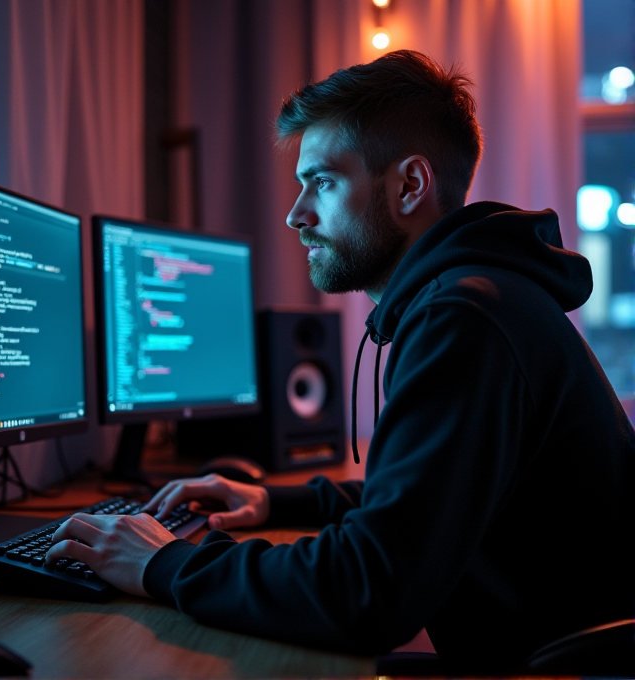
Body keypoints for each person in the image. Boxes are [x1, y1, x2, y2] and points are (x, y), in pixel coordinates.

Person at [47, 50, 635, 672]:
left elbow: (367, 592)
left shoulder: (464, 318)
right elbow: (425, 499)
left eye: (323, 182)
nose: (296, 214)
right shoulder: (481, 296)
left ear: (410, 184)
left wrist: (161, 563)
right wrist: (279, 503)